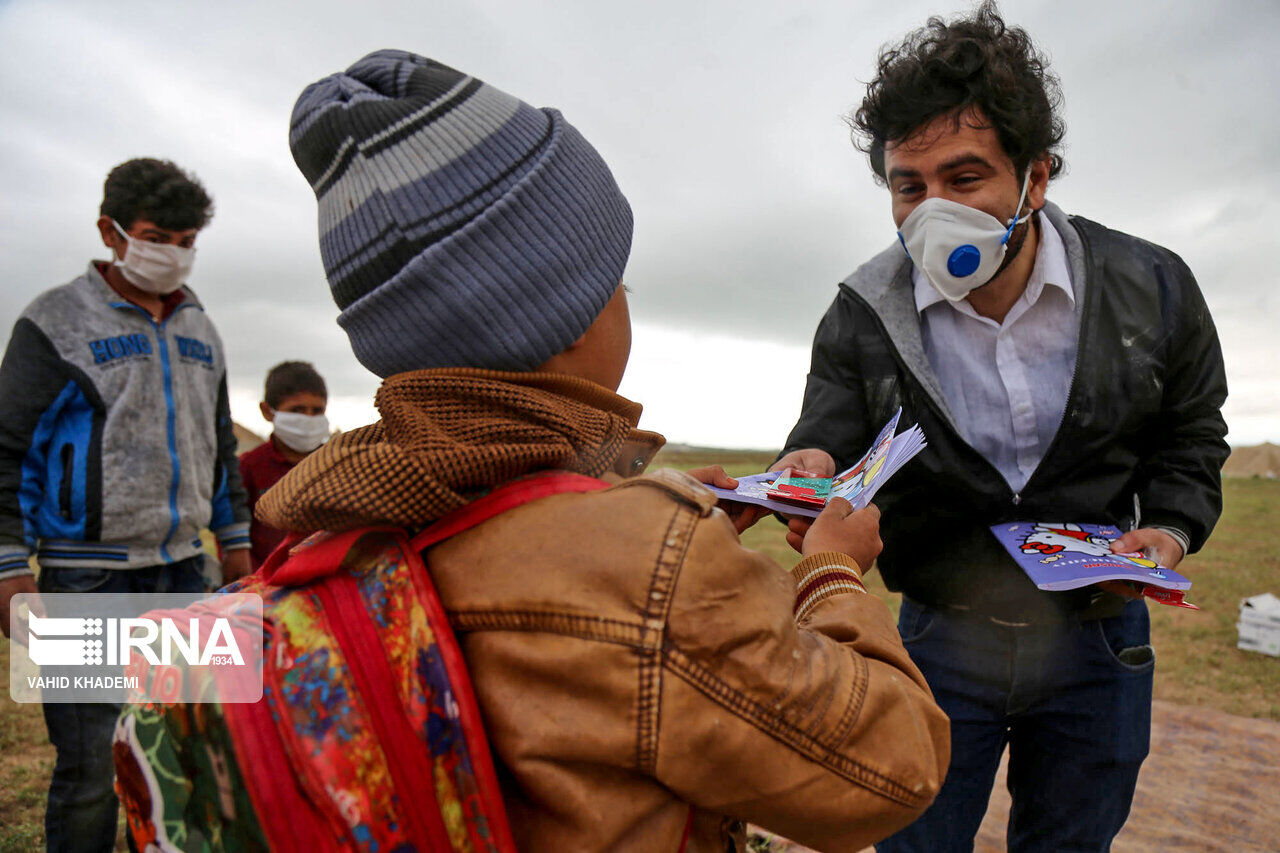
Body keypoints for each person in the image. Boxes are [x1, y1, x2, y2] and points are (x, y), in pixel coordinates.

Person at [241, 50, 946, 851]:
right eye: (619, 281)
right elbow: (897, 766)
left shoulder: (334, 522)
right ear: (569, 314)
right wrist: (832, 571)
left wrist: (620, 501)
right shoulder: (652, 568)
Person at [775, 4, 1229, 851]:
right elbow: (825, 437)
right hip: (938, 638)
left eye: (965, 177)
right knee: (915, 839)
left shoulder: (1153, 287)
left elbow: (1192, 434)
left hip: (1098, 639)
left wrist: (1167, 529)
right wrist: (804, 468)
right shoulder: (863, 310)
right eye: (908, 186)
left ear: (1037, 177)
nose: (932, 211)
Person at [0, 157, 252, 852]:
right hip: (87, 576)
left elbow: (221, 447)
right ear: (110, 231)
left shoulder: (203, 329)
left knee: (196, 748)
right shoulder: (53, 322)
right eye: (155, 234)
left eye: (186, 238)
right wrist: (9, 568)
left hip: (187, 573)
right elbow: (6, 452)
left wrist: (234, 542)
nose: (172, 252)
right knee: (90, 768)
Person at [238, 359, 329, 569]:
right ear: (268, 411)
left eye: (317, 411)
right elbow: (236, 529)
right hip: (265, 580)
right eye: (297, 410)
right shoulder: (249, 467)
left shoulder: (335, 463)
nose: (308, 418)